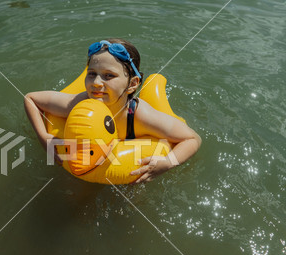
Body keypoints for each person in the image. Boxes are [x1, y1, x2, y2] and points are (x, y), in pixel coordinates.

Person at [24, 38, 201, 184]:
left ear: (132, 84)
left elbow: (192, 138)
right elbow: (31, 99)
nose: (96, 83)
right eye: (92, 73)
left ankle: (154, 84)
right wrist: (43, 137)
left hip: (132, 149)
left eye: (109, 76)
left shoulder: (139, 116)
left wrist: (167, 163)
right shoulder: (79, 103)